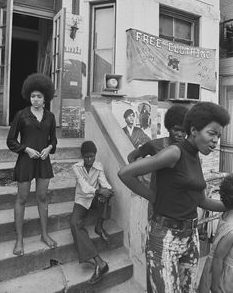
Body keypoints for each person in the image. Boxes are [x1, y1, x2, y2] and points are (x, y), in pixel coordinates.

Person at [118, 101, 230, 293]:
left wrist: (229, 204)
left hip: (191, 236)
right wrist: (153, 197)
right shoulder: (174, 152)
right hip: (165, 237)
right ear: (194, 130)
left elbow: (201, 201)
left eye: (218, 136)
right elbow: (125, 173)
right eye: (211, 133)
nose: (215, 141)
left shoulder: (195, 156)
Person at [127, 104, 188, 293]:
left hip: (178, 205)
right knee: (155, 251)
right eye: (177, 130)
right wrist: (145, 181)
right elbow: (132, 157)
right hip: (156, 203)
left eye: (184, 131)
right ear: (169, 127)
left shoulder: (187, 148)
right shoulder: (155, 145)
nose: (180, 135)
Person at [7, 73, 57, 256]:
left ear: (45, 98)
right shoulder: (21, 115)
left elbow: (54, 140)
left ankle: (44, 234)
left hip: (44, 162)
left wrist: (49, 148)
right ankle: (19, 239)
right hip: (26, 162)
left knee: (42, 198)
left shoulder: (50, 117)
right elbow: (11, 141)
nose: (35, 100)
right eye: (33, 96)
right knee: (22, 198)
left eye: (39, 97)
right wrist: (26, 149)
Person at [70, 141, 114, 284]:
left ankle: (99, 227)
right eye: (87, 157)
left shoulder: (98, 166)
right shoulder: (76, 167)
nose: (90, 160)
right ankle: (99, 261)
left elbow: (103, 181)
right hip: (82, 199)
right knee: (74, 223)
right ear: (82, 156)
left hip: (95, 199)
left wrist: (108, 190)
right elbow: (83, 187)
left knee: (105, 196)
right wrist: (98, 190)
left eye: (92, 157)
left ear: (95, 156)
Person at [199, 174, 233, 293]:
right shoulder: (231, 231)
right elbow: (218, 259)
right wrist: (214, 287)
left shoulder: (227, 212)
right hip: (222, 279)